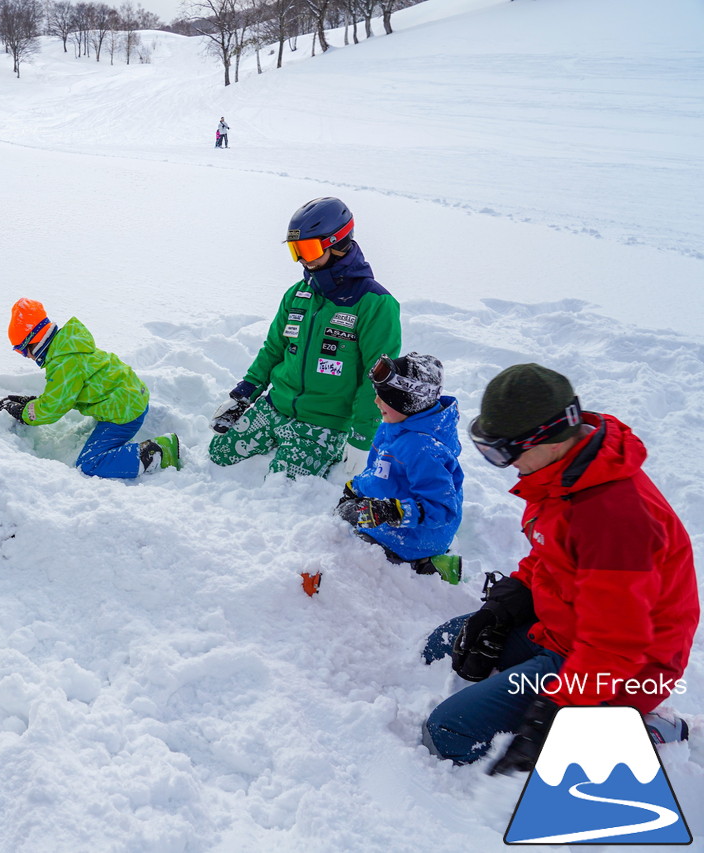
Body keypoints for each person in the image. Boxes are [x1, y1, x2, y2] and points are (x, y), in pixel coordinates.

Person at [421, 364, 697, 773]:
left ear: (546, 438)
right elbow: (553, 556)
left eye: (503, 451)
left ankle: (629, 724)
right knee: (443, 644)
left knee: (448, 735)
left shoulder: (614, 518)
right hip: (566, 629)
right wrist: (507, 603)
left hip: (625, 667)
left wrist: (554, 710)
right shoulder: (564, 475)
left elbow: (616, 645)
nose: (507, 465)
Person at [209, 196, 401, 479]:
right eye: (295, 250)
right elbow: (274, 349)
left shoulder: (375, 303)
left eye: (308, 249)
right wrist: (243, 395)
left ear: (338, 243)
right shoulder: (297, 294)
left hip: (324, 421)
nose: (301, 259)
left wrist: (363, 436)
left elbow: (376, 379)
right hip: (277, 405)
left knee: (282, 488)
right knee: (218, 454)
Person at [0, 298, 180, 478]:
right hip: (130, 397)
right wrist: (34, 403)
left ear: (32, 342)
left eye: (22, 351)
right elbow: (61, 394)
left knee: (89, 464)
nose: (26, 357)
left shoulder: (64, 364)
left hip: (125, 412)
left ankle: (158, 451)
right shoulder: (69, 346)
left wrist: (26, 414)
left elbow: (53, 408)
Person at [335, 352, 463, 584]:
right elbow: (380, 470)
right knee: (343, 521)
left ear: (408, 402)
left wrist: (392, 512)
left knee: (354, 558)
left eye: (385, 398)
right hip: (388, 509)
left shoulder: (423, 448)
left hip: (415, 534)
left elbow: (442, 509)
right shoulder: (393, 426)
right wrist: (356, 488)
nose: (376, 402)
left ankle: (427, 565)